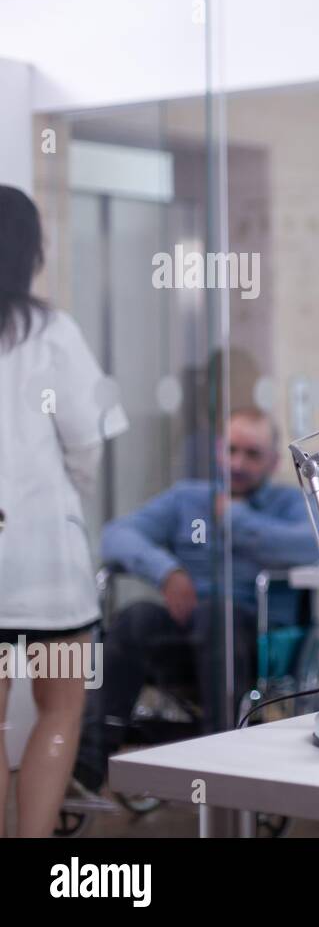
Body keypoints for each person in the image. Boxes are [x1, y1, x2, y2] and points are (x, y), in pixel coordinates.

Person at [73, 407, 319, 793]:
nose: (237, 464)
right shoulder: (187, 498)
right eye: (231, 450)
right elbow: (116, 535)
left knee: (216, 615)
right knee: (135, 617)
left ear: (273, 461)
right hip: (186, 634)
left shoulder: (290, 502)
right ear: (219, 450)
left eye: (252, 454)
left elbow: (313, 545)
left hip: (254, 641)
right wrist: (166, 571)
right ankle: (87, 765)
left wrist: (235, 519)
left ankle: (217, 759)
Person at [0, 185, 128, 835]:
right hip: (49, 563)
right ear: (32, 253)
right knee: (60, 710)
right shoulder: (53, 333)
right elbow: (88, 437)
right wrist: (67, 492)